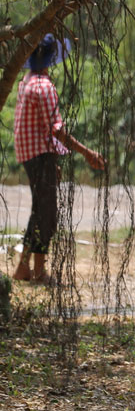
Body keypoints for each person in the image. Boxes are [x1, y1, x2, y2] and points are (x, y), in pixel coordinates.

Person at [12, 33, 105, 284]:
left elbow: (43, 128)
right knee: (47, 214)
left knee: (41, 211)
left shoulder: (27, 81)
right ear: (53, 57)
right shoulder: (44, 87)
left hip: (32, 153)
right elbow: (56, 130)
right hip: (39, 154)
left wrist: (53, 158)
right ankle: (37, 271)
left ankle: (25, 268)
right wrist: (88, 153)